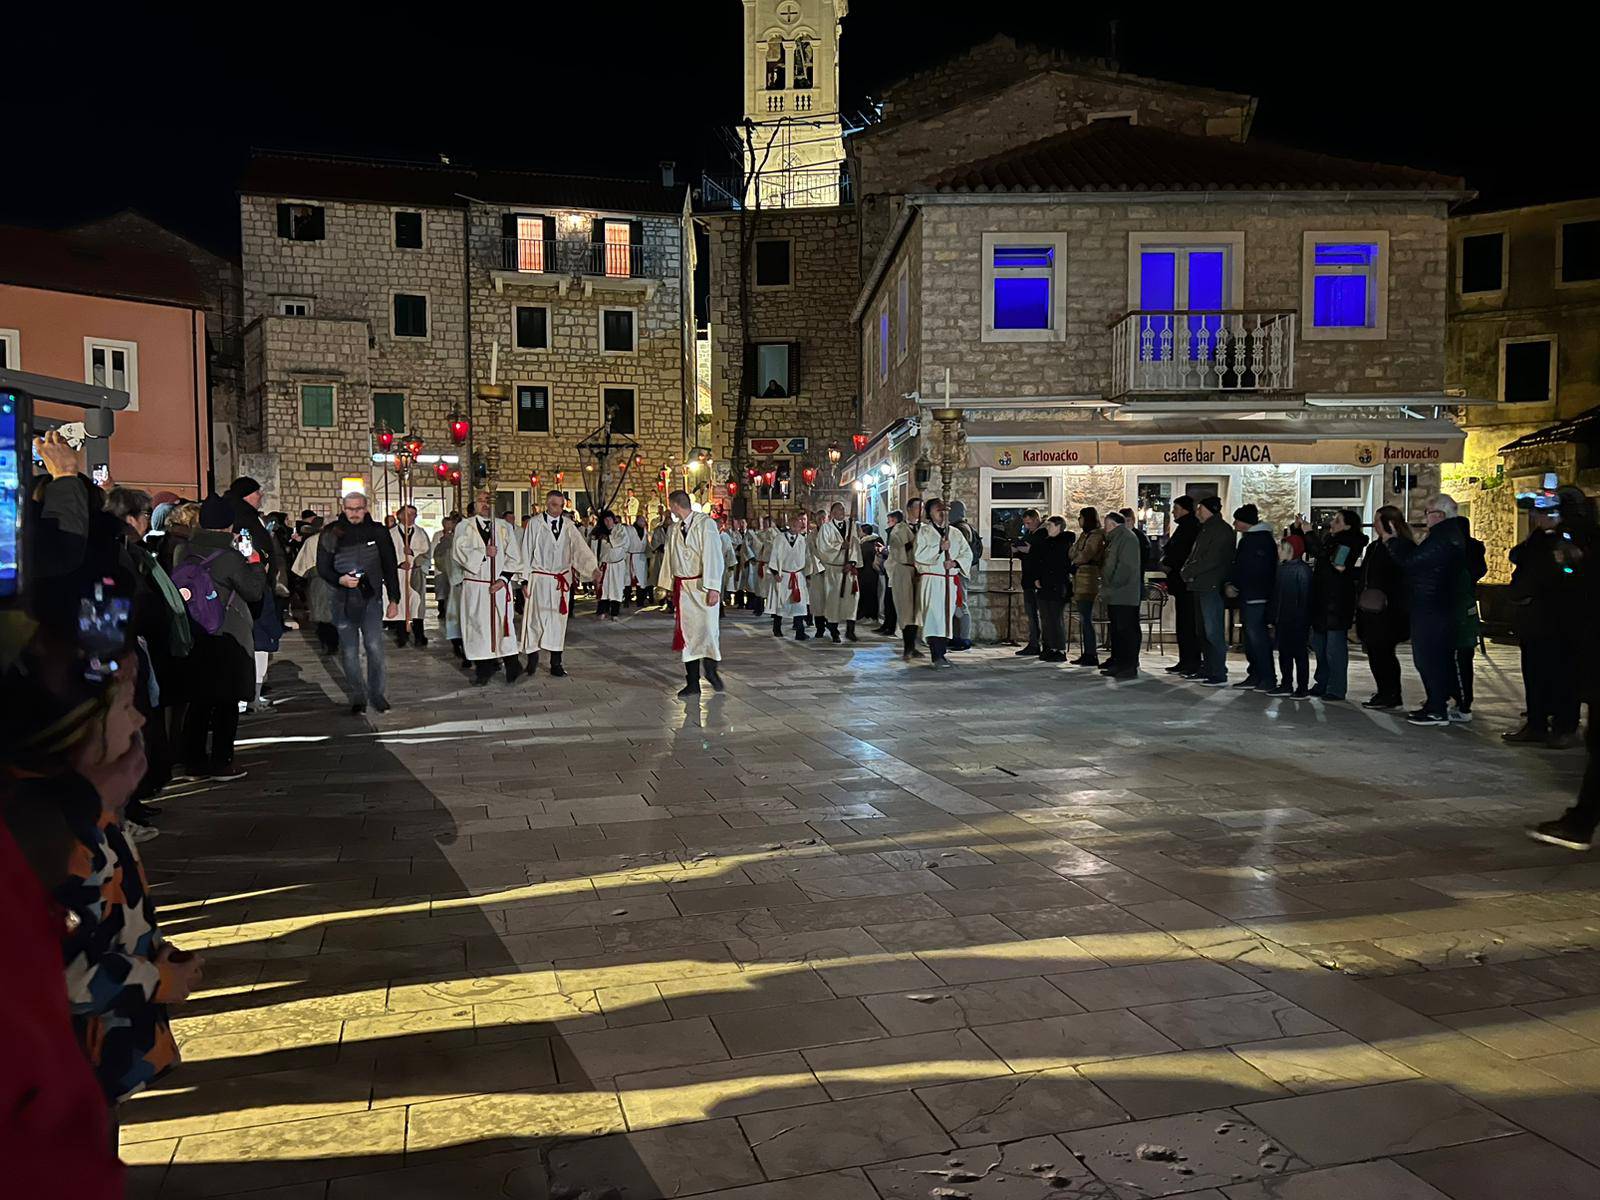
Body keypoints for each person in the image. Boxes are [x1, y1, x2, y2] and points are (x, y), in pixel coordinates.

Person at [1525, 489, 1600, 849]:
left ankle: (1581, 822)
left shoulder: (1579, 546)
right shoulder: (1574, 543)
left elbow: (1568, 579)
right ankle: (1581, 820)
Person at [172, 496, 265, 775]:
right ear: (228, 525)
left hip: (193, 631)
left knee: (199, 700)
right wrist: (255, 561)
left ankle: (194, 760)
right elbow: (254, 591)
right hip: (227, 635)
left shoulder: (182, 551)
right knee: (226, 701)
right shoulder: (231, 557)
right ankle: (223, 761)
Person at [1504, 494, 1582, 748]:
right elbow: (1518, 556)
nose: (1535, 518)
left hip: (1558, 621)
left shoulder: (1567, 539)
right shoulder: (1539, 540)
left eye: (1540, 514)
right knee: (1535, 674)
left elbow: (1566, 575)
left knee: (1561, 677)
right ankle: (1536, 723)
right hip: (1534, 621)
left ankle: (1564, 726)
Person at [1380, 496, 1465, 727]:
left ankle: (1437, 708)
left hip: (1432, 608)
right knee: (1432, 658)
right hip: (1435, 605)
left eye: (1427, 512)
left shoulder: (1442, 538)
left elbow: (1411, 562)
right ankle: (1435, 702)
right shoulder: (1448, 536)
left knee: (1429, 659)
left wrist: (1392, 542)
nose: (1425, 517)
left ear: (1439, 514)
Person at [316, 491, 401, 713]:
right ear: (343, 508)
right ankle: (358, 695)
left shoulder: (379, 532)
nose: (354, 513)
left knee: (375, 647)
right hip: (341, 600)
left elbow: (390, 566)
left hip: (371, 598)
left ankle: (377, 694)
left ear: (366, 507)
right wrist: (340, 580)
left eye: (358, 508)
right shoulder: (331, 533)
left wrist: (394, 599)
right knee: (350, 651)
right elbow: (323, 567)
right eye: (349, 509)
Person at [518, 491, 600, 678]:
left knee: (558, 621)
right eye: (555, 505)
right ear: (547, 504)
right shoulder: (535, 524)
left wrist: (592, 568)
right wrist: (524, 579)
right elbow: (527, 550)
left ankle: (556, 662)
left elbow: (579, 549)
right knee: (535, 619)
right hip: (539, 579)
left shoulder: (569, 526)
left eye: (561, 505)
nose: (558, 509)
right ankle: (532, 659)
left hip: (559, 581)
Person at [225, 476, 286, 713]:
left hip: (247, 586)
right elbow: (251, 552)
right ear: (247, 495)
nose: (261, 496)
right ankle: (251, 695)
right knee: (258, 640)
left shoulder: (241, 515)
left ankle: (250, 694)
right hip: (252, 587)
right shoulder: (245, 518)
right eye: (258, 492)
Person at [453, 492, 526, 685]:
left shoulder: (503, 527)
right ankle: (483, 670)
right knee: (478, 627)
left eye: (488, 501)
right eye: (481, 501)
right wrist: (483, 553)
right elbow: (459, 552)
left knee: (503, 626)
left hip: (499, 587)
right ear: (474, 505)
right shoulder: (464, 527)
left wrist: (503, 579)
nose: (485, 504)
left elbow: (514, 557)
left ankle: (513, 665)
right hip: (476, 586)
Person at [661, 491, 726, 696]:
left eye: (670, 506)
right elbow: (670, 557)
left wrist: (714, 586)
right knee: (688, 634)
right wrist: (667, 586)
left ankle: (711, 670)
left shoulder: (705, 524)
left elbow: (713, 554)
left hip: (702, 586)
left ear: (674, 505)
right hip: (684, 589)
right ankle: (692, 682)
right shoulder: (673, 529)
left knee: (708, 630)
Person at [1300, 508, 1366, 702]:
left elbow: (1334, 562)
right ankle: (1322, 682)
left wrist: (1309, 533)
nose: (1332, 524)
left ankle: (1336, 687)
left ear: (1348, 525)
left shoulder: (1348, 542)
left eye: (1337, 521)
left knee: (1334, 648)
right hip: (1323, 599)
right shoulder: (1331, 540)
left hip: (1336, 601)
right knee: (1320, 645)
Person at [1356, 505, 1412, 711]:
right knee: (1375, 653)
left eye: (1378, 521)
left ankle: (1391, 693)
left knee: (1384, 653)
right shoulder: (1375, 547)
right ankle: (1384, 690)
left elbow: (1402, 578)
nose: (1375, 525)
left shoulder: (1399, 546)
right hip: (1371, 610)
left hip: (1388, 612)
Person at [1180, 495, 1236, 686]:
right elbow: (1196, 555)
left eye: (1200, 508)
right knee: (1202, 631)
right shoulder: (1206, 529)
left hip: (1210, 586)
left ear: (1209, 509)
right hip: (1200, 585)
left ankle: (1218, 671)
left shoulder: (1221, 530)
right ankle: (1208, 668)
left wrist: (1188, 571)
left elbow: (1212, 559)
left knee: (1213, 632)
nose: (1197, 512)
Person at [914, 498, 973, 668]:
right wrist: (939, 548)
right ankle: (936, 653)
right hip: (932, 580)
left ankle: (942, 652)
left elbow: (966, 554)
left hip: (949, 581)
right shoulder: (924, 532)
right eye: (937, 510)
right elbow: (919, 555)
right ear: (930, 514)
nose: (942, 513)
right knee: (934, 617)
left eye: (944, 510)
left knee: (946, 618)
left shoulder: (955, 533)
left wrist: (955, 563)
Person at [1227, 504, 1278, 691]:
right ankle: (1256, 674)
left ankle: (1266, 677)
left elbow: (1250, 569)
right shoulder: (1256, 540)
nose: (1234, 524)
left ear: (1245, 522)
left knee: (1257, 638)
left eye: (1237, 520)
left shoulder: (1256, 541)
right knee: (1251, 637)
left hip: (1256, 596)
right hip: (1252, 594)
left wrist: (1237, 585)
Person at [1447, 506, 1488, 723]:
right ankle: (1453, 697)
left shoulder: (1466, 551)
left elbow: (1476, 571)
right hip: (1457, 606)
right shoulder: (1464, 549)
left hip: (1461, 609)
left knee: (1460, 656)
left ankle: (1463, 703)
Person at [1097, 511, 1143, 678]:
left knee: (1126, 630)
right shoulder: (1116, 539)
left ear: (1113, 525)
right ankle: (1119, 662)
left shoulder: (1126, 538)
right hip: (1116, 593)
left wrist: (1111, 584)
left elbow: (1125, 567)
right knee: (1117, 629)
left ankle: (1128, 665)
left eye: (1106, 524)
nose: (1104, 528)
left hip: (1124, 593)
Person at [1267, 532, 1313, 698]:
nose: (1278, 550)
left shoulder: (1302, 571)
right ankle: (1286, 683)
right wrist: (1272, 619)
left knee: (1299, 654)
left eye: (1281, 547)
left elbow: (1305, 598)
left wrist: (1302, 620)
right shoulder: (1282, 569)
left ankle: (1302, 687)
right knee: (1285, 654)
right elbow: (1276, 596)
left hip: (1297, 621)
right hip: (1283, 619)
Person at [1161, 497, 1201, 677]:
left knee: (1188, 625)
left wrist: (1170, 563)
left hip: (1186, 584)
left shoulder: (1190, 527)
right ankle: (1185, 660)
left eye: (1175, 508)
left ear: (1185, 509)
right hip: (1180, 583)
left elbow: (1181, 552)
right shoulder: (1184, 527)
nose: (1173, 512)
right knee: (1183, 624)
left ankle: (1191, 661)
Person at [815, 501, 863, 643]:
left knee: (852, 600)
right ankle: (834, 631)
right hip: (834, 570)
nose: (842, 512)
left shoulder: (851, 526)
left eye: (843, 509)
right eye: (838, 510)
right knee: (833, 601)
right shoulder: (826, 528)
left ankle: (850, 630)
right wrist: (840, 546)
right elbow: (823, 548)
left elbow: (855, 545)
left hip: (849, 570)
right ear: (833, 513)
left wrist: (852, 562)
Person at [388, 504, 431, 648]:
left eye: (414, 514)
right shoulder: (391, 533)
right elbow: (386, 554)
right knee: (401, 604)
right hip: (399, 573)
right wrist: (398, 564)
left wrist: (412, 553)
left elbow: (426, 551)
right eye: (408, 514)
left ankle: (419, 635)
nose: (411, 517)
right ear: (400, 516)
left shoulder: (421, 533)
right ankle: (402, 635)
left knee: (416, 603)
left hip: (415, 573)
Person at [766, 511, 813, 640]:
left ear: (799, 527)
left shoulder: (803, 540)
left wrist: (808, 575)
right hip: (784, 575)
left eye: (797, 525)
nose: (794, 527)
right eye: (792, 524)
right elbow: (774, 555)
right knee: (780, 603)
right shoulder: (780, 539)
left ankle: (800, 631)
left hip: (798, 575)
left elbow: (807, 557)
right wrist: (775, 572)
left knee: (800, 604)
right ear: (789, 525)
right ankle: (777, 627)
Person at [1033, 516, 1074, 662]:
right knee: (1046, 618)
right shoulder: (1046, 543)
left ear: (1058, 526)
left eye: (1050, 525)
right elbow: (1040, 561)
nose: (1047, 528)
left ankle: (1059, 649)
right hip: (1044, 585)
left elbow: (1063, 565)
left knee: (1056, 619)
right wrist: (1037, 578)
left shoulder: (1065, 544)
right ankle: (1049, 647)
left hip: (1057, 586)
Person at [887, 499, 923, 659]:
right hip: (904, 570)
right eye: (917, 507)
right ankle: (907, 646)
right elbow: (896, 549)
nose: (920, 511)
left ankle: (914, 645)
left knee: (917, 610)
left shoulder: (925, 528)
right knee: (906, 608)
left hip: (920, 571)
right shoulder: (899, 529)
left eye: (922, 508)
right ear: (909, 509)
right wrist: (913, 542)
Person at [1070, 508, 1105, 667]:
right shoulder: (1084, 535)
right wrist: (1077, 556)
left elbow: (1085, 555)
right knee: (1084, 618)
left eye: (1081, 517)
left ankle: (1091, 653)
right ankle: (1088, 652)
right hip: (1080, 579)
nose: (1079, 520)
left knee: (1086, 618)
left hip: (1089, 580)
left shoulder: (1096, 536)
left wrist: (1078, 557)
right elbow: (1072, 552)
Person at [1013, 509, 1048, 657]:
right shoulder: (1030, 534)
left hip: (1037, 580)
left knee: (1042, 614)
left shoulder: (1043, 535)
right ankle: (1034, 643)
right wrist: (1018, 550)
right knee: (1031, 613)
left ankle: (1043, 644)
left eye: (1029, 523)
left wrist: (1029, 550)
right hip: (1028, 579)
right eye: (1025, 523)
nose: (1027, 526)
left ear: (1036, 519)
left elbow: (1041, 555)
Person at [948, 500, 980, 650]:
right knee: (955, 604)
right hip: (956, 571)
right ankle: (956, 636)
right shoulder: (959, 527)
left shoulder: (961, 529)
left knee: (961, 604)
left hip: (959, 571)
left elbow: (961, 551)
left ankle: (964, 638)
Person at [595, 510, 629, 620]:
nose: (607, 522)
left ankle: (615, 613)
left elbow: (622, 540)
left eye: (609, 519)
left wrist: (609, 539)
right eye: (605, 520)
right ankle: (602, 611)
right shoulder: (601, 532)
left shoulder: (620, 528)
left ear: (613, 519)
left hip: (617, 564)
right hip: (606, 564)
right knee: (604, 588)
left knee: (616, 588)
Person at [877, 510, 902, 635]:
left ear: (895, 520)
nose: (887, 523)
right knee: (887, 599)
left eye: (889, 521)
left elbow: (896, 551)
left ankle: (891, 626)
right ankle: (887, 624)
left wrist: (883, 550)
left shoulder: (897, 532)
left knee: (891, 599)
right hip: (889, 569)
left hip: (895, 570)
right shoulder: (891, 532)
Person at [431, 515, 458, 625]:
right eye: (446, 524)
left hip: (453, 568)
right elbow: (434, 549)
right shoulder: (438, 535)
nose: (448, 526)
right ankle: (441, 609)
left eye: (450, 524)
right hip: (441, 567)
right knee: (441, 590)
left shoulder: (456, 536)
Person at [623, 513, 652, 607]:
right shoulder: (629, 529)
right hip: (631, 555)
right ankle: (626, 600)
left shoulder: (644, 530)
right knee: (628, 578)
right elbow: (626, 542)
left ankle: (640, 601)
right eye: (643, 521)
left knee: (642, 579)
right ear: (638, 521)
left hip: (641, 557)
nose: (645, 523)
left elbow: (646, 542)